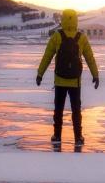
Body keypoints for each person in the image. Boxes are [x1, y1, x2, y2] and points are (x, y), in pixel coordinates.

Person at [36, 9, 99, 145]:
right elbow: (90, 57)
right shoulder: (81, 37)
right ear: (76, 20)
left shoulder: (57, 36)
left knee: (58, 109)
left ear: (63, 19)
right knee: (76, 110)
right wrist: (95, 75)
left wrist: (40, 74)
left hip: (60, 81)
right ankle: (78, 137)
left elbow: (47, 56)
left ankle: (57, 136)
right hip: (75, 82)